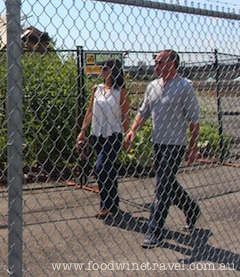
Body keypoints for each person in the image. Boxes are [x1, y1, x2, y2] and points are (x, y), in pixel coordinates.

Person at [124, 50, 201, 249]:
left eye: (158, 61)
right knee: (167, 183)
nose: (155, 65)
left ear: (171, 63)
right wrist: (132, 131)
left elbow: (194, 121)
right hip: (158, 143)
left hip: (176, 144)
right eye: (155, 62)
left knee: (162, 187)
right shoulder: (152, 87)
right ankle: (191, 209)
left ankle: (154, 231)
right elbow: (143, 112)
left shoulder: (185, 87)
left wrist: (193, 149)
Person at [78, 59, 130, 219]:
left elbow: (125, 116)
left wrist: (128, 136)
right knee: (109, 170)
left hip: (113, 135)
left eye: (105, 68)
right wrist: (83, 131)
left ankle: (105, 205)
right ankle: (113, 204)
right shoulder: (97, 89)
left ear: (114, 71)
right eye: (102, 67)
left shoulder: (121, 92)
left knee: (100, 167)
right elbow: (89, 112)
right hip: (97, 134)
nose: (102, 70)